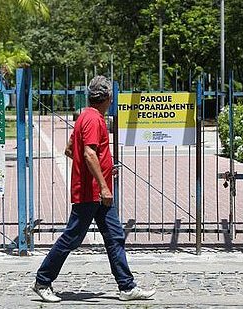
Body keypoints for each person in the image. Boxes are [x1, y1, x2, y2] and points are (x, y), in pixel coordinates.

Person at [32, 75, 156, 302]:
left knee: (114, 236)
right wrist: (102, 184)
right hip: (92, 192)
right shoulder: (93, 120)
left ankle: (127, 287)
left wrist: (105, 169)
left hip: (97, 191)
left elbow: (70, 149)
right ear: (108, 97)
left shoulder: (84, 116)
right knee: (72, 237)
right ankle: (43, 280)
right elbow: (88, 153)